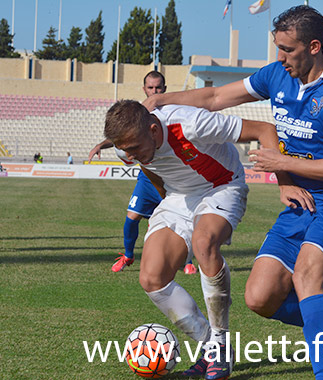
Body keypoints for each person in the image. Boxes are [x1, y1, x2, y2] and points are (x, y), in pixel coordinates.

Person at [143, 6, 323, 379]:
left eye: (288, 50)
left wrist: (282, 164)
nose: (280, 58)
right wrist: (163, 101)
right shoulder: (276, 75)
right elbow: (216, 97)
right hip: (300, 200)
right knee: (259, 298)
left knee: (307, 277)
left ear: (314, 46)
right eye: (277, 48)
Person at [104, 99, 285, 380]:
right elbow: (151, 170)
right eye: (126, 150)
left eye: (135, 148)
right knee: (152, 278)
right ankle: (210, 347)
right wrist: (169, 205)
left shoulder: (191, 124)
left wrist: (286, 184)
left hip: (222, 186)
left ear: (154, 129)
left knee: (203, 244)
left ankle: (221, 342)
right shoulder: (127, 148)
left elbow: (263, 129)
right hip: (178, 198)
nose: (131, 155)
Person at [89, 70, 196, 274]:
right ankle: (128, 256)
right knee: (131, 217)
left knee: (183, 219)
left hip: (173, 177)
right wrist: (100, 146)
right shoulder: (137, 113)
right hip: (147, 178)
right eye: (150, 87)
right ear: (144, 89)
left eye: (158, 88)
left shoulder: (174, 111)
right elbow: (121, 136)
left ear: (164, 89)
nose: (154, 91)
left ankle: (188, 260)